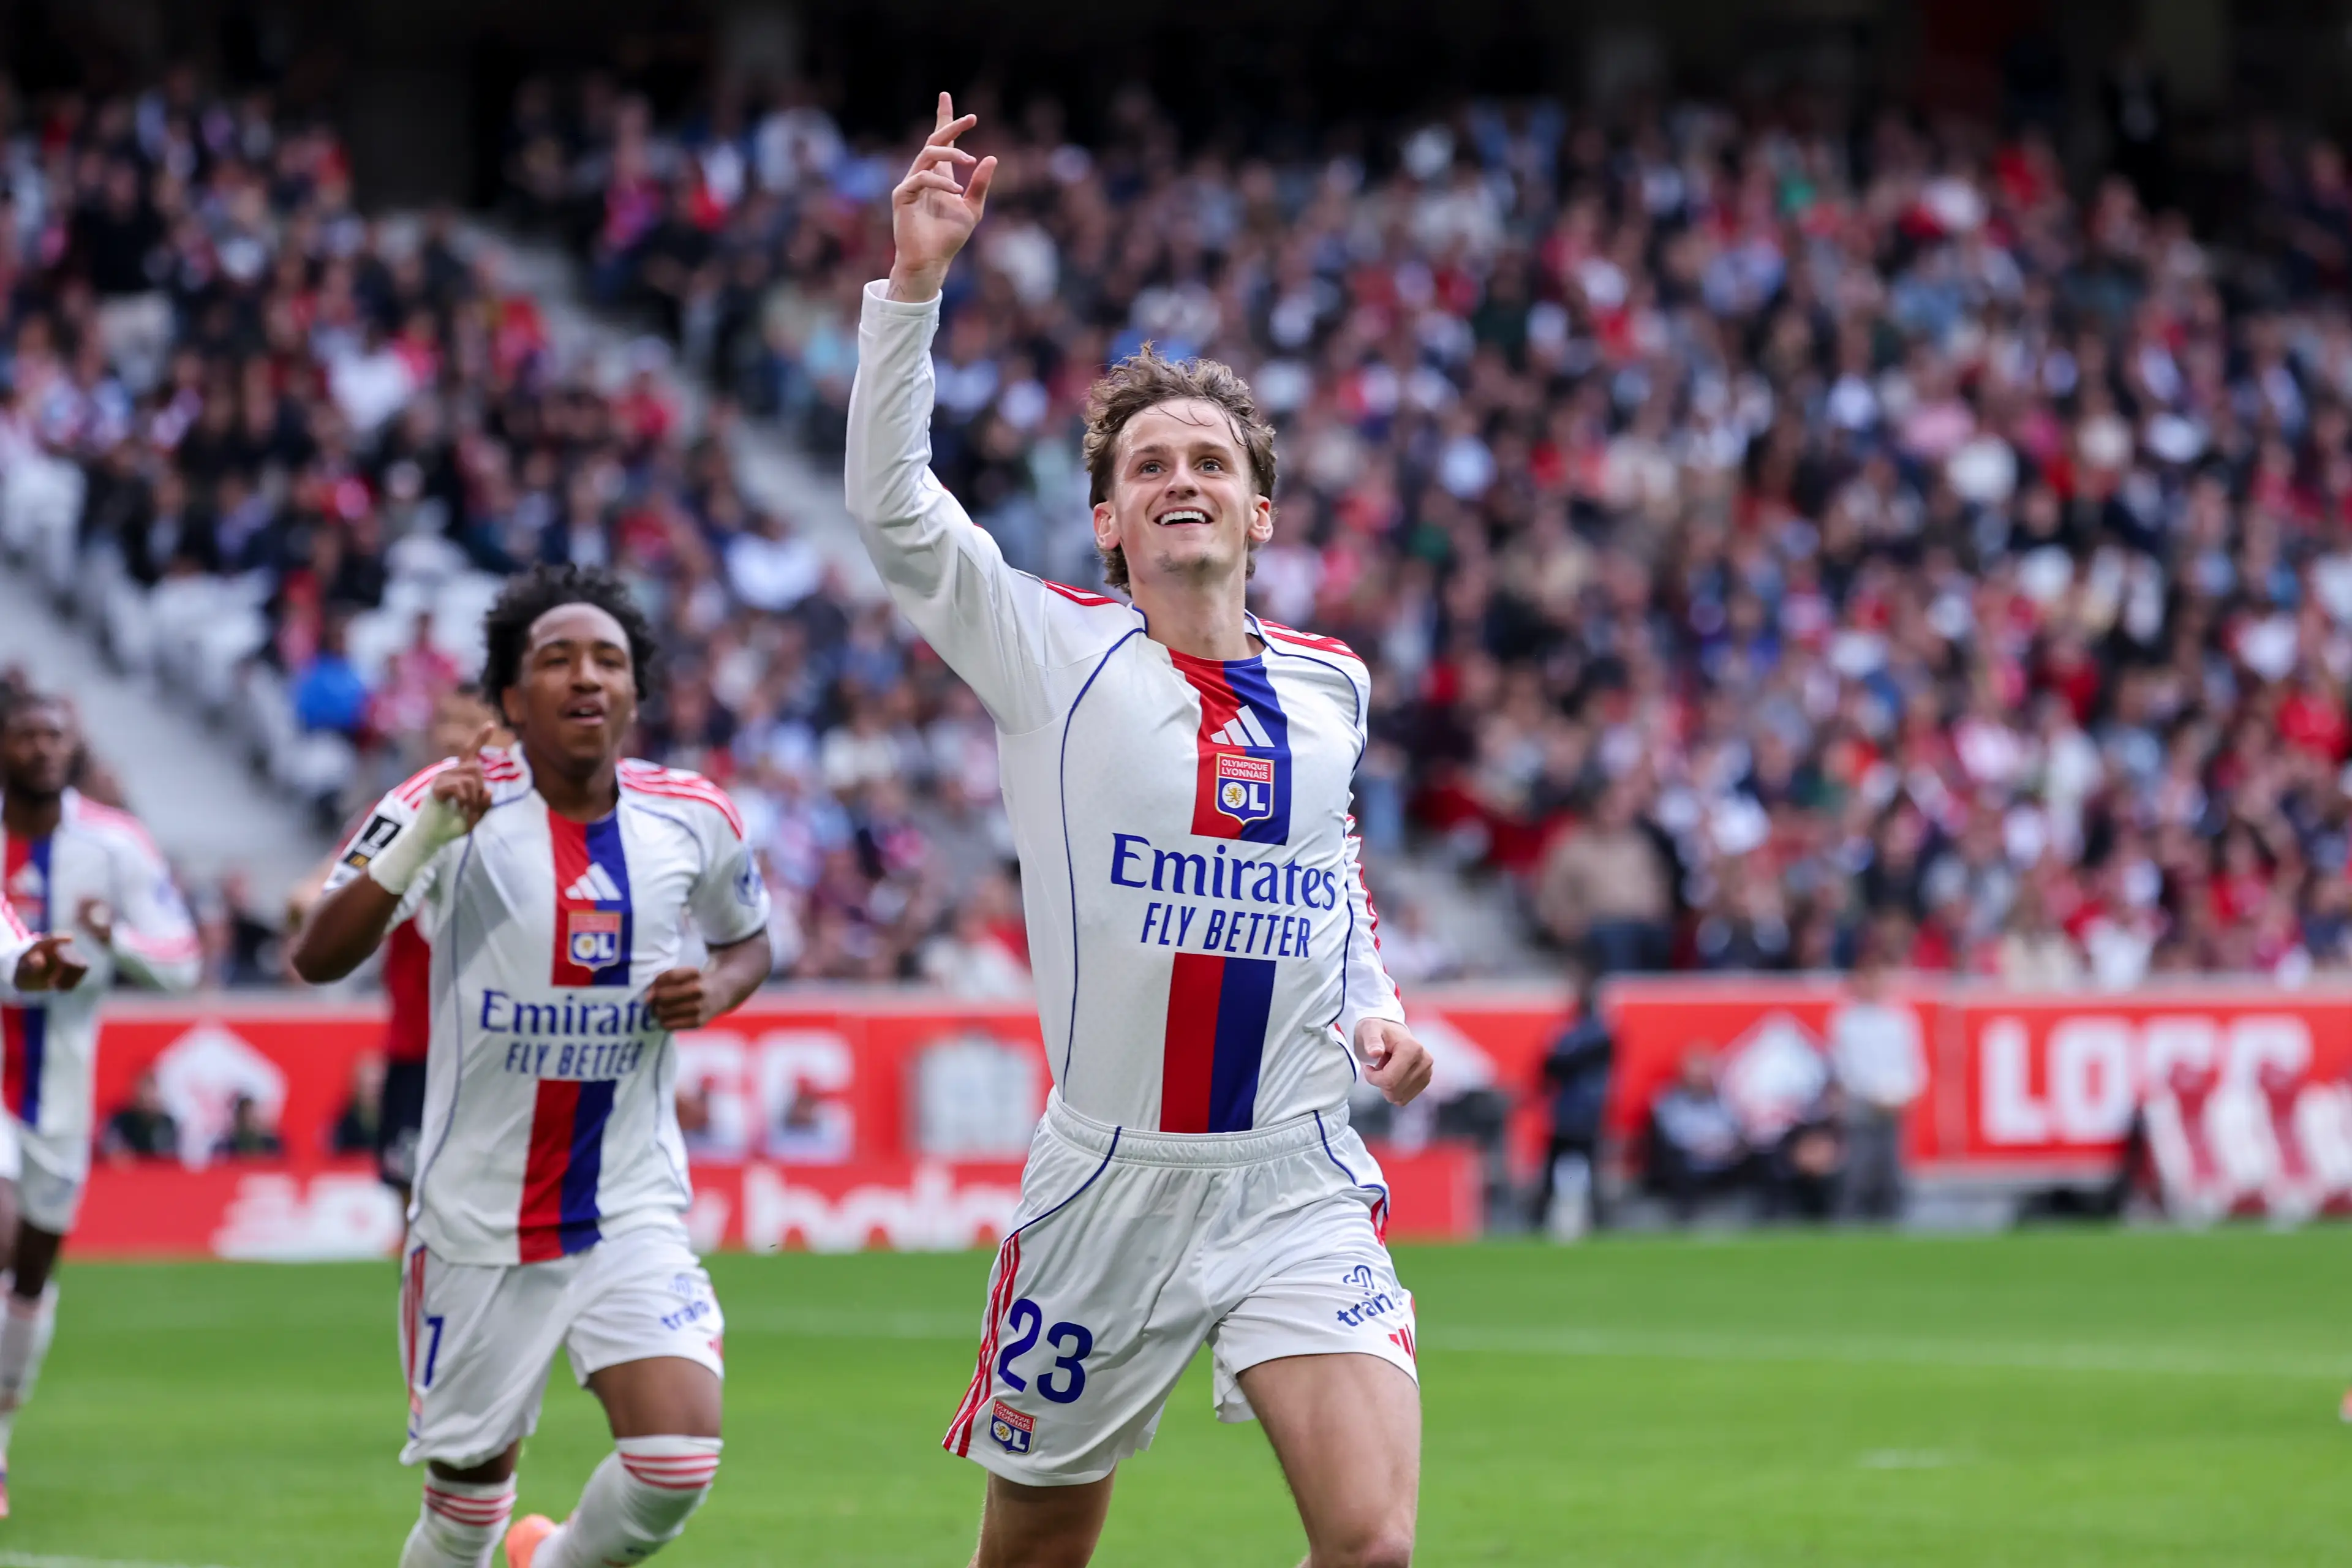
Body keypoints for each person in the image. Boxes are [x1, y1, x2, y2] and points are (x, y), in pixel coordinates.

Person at [847, 96, 1433, 1568]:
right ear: (1109, 522)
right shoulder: (1049, 650)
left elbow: (1331, 868)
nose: (1183, 479)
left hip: (1296, 1168)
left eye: (1211, 462)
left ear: (1261, 512)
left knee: (1370, 1544)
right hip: (1110, 1179)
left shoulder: (1331, 683)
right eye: (1150, 465)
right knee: (1035, 1553)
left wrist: (1374, 1005)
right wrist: (913, 286)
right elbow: (895, 508)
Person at [291, 564, 774, 1568]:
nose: (586, 676)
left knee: (677, 1460)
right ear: (512, 698)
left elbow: (748, 939)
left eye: (608, 660)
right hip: (479, 1222)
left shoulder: (693, 815)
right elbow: (318, 954)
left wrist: (718, 988)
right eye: (556, 659)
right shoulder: (444, 802)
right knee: (466, 1510)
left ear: (636, 691)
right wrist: (427, 835)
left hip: (627, 1202)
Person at [0, 692, 200, 1516]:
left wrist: (117, 938)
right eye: (26, 734)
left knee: (31, 1280)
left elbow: (183, 960)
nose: (44, 747)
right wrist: (23, 966)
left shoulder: (115, 846)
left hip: (61, 1092)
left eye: (56, 734)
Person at [288, 682, 510, 1205]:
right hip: (418, 1049)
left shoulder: (530, 822)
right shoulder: (402, 812)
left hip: (506, 1048)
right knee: (414, 1207)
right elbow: (315, 893)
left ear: (506, 734)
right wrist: (312, 911)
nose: (453, 736)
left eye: (469, 722)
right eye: (444, 721)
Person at [1826, 938, 1927, 1221]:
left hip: (1893, 1106)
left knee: (1893, 1172)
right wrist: (1873, 1094)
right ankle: (1848, 1223)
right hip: (1862, 1106)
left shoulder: (1900, 1018)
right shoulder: (1846, 1020)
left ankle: (1894, 1224)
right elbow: (1845, 1067)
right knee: (1857, 1172)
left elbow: (1912, 1063)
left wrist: (1902, 1094)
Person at [1530, 965, 1613, 1237]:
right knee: (1559, 1163)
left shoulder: (1596, 1031)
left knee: (1585, 1164)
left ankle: (1593, 1218)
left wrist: (1563, 1053)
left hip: (1585, 1110)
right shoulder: (1575, 1030)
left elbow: (1560, 1060)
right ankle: (1545, 1216)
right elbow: (1550, 1064)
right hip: (1568, 1109)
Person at [1644, 1050, 1757, 1221]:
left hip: (1724, 1158)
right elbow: (1672, 1137)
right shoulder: (1670, 1101)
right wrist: (1703, 1147)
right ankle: (1685, 1216)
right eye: (1696, 1076)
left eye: (1704, 1076)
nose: (1700, 1081)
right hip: (1687, 1160)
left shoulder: (1726, 1100)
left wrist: (1728, 1147)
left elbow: (1738, 1131)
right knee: (1673, 1160)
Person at [97, 1069, 176, 1163]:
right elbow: (110, 1145)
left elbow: (171, 1154)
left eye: (151, 1092)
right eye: (144, 1092)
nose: (147, 1098)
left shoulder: (167, 1122)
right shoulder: (122, 1120)